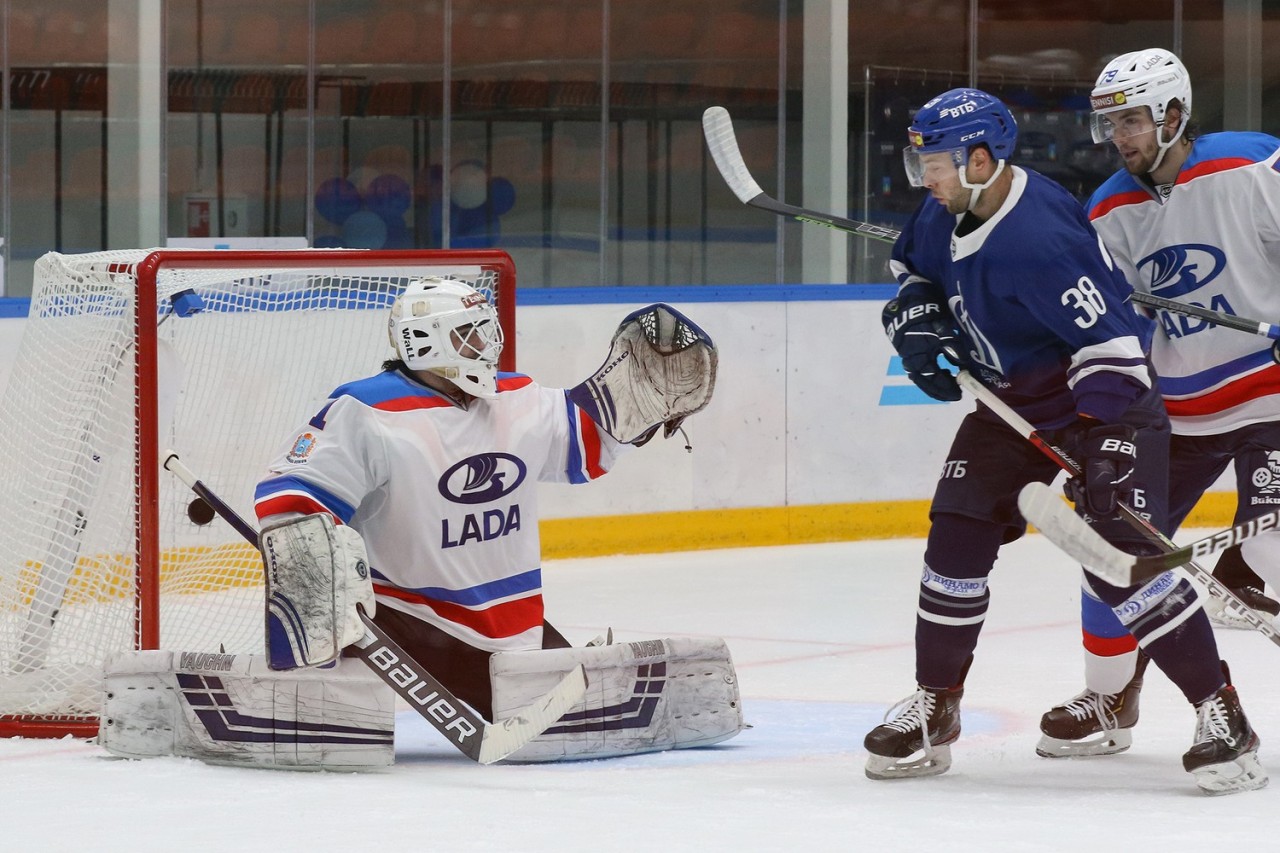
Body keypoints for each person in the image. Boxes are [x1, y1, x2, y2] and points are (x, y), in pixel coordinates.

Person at [99, 278, 742, 769]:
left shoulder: (514, 398)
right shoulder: (367, 410)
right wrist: (321, 569)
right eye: (469, 335)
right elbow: (288, 497)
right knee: (306, 553)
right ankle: (314, 677)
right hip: (417, 629)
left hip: (514, 626)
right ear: (427, 341)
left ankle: (515, 669)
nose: (486, 345)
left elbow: (589, 438)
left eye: (484, 331)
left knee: (562, 692)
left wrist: (635, 389)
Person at [863, 86, 1267, 795]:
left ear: (982, 159)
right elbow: (913, 268)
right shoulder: (943, 209)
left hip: (1105, 406)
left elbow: (1113, 347)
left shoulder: (1043, 240)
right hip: (1009, 402)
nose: (922, 177)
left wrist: (1106, 446)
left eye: (937, 162)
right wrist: (918, 309)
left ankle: (1220, 713)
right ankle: (937, 705)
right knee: (955, 530)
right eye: (920, 160)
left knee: (1121, 563)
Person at [1037, 48, 1280, 761]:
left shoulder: (1250, 165)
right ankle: (1111, 696)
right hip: (1173, 409)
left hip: (1267, 392)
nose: (1120, 136)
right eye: (1110, 123)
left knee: (1270, 546)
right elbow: (1100, 321)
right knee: (1109, 552)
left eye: (1134, 120)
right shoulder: (1108, 207)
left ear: (1174, 113)